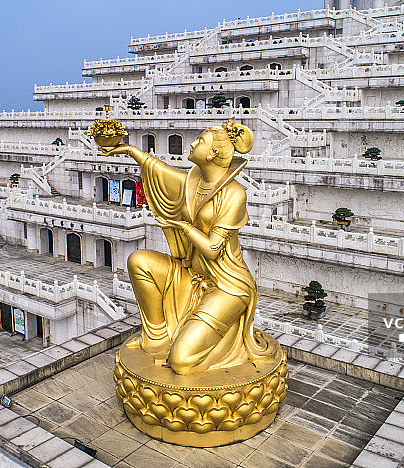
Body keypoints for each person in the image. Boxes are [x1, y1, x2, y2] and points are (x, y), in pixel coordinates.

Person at [102, 119, 275, 375]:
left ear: (214, 153)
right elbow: (157, 169)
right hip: (191, 275)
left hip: (227, 286)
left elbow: (214, 248)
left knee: (181, 361)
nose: (193, 143)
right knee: (139, 261)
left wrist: (183, 227)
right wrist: (130, 151)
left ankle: (220, 351)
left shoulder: (234, 193)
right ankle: (157, 337)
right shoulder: (191, 183)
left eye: (200, 141)